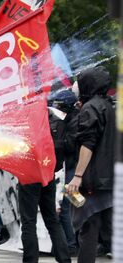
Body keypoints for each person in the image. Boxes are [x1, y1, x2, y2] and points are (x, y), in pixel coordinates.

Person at [66, 66, 115, 263]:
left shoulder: (90, 108)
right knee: (110, 229)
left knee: (88, 227)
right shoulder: (108, 105)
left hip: (91, 180)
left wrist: (77, 176)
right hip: (109, 179)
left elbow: (88, 144)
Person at [17, 101, 71, 262]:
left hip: (29, 175)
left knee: (28, 221)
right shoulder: (56, 120)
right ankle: (64, 258)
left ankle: (30, 260)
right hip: (48, 174)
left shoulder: (26, 121)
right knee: (52, 220)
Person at [49, 88, 80, 254]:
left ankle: (70, 243)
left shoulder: (74, 122)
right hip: (69, 169)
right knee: (71, 206)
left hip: (71, 170)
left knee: (65, 207)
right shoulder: (69, 120)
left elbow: (70, 146)